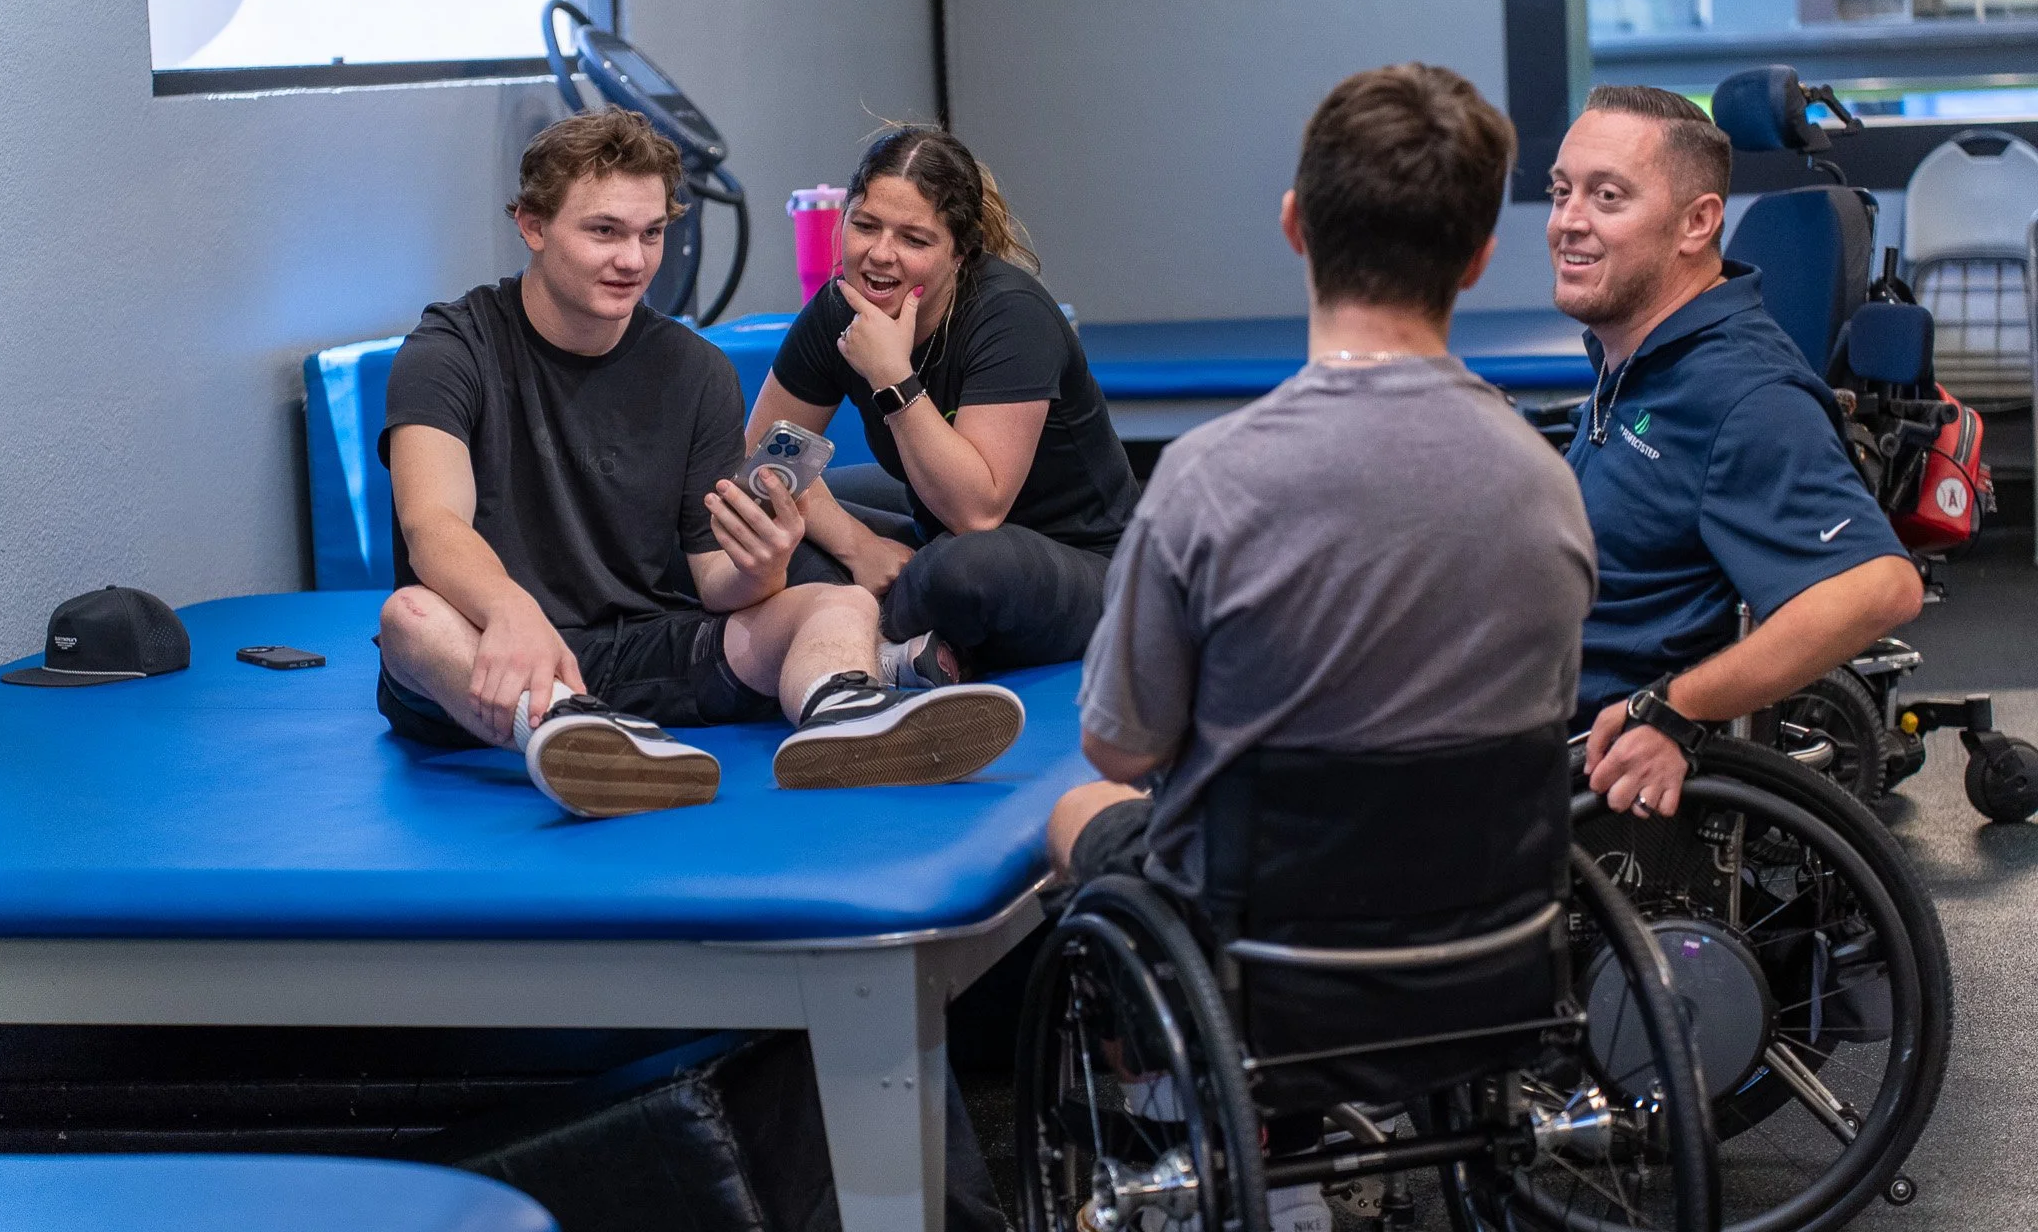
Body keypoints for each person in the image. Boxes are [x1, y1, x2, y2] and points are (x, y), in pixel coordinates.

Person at [1046, 64, 1598, 1232]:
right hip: (1492, 948)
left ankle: (1208, 1153)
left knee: (1079, 814)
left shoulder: (1208, 482)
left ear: (1296, 224)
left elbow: (1120, 742)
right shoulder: (1545, 485)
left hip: (1267, 962)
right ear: (1477, 257)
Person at [373, 108, 1023, 817]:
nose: (634, 260)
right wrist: (509, 610)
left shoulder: (696, 371)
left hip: (647, 647)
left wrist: (763, 564)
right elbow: (432, 523)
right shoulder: (449, 350)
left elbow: (715, 580)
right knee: (411, 617)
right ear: (532, 225)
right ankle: (568, 730)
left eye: (652, 233)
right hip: (494, 646)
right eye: (604, 231)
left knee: (838, 601)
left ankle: (845, 716)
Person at [1547, 85, 1924, 819]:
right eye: (1562, 192)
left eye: (1607, 196)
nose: (1568, 221)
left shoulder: (1744, 396)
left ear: (1697, 223)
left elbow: (1881, 587)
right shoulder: (1641, 351)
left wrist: (1675, 709)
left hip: (1560, 758)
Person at [745, 126, 1139, 685]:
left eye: (914, 239)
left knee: (965, 570)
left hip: (1073, 560)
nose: (881, 255)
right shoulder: (839, 310)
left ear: (960, 252)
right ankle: (900, 646)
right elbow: (764, 463)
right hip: (934, 534)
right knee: (752, 518)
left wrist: (892, 376)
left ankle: (859, 641)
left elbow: (976, 514)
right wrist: (857, 546)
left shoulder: (1012, 316)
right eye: (864, 226)